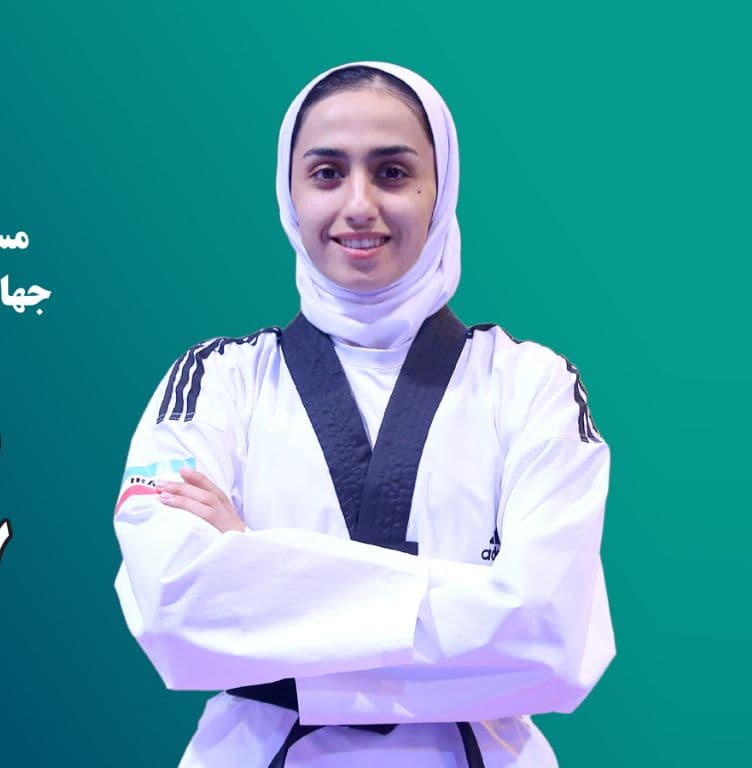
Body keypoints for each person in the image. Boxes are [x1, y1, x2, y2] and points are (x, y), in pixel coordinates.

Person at [111, 61, 613, 768]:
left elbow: (548, 639)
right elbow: (172, 605)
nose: (358, 205)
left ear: (442, 191)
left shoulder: (532, 385)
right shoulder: (215, 381)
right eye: (326, 174)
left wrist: (257, 561)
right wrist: (469, 611)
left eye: (392, 173)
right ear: (289, 195)